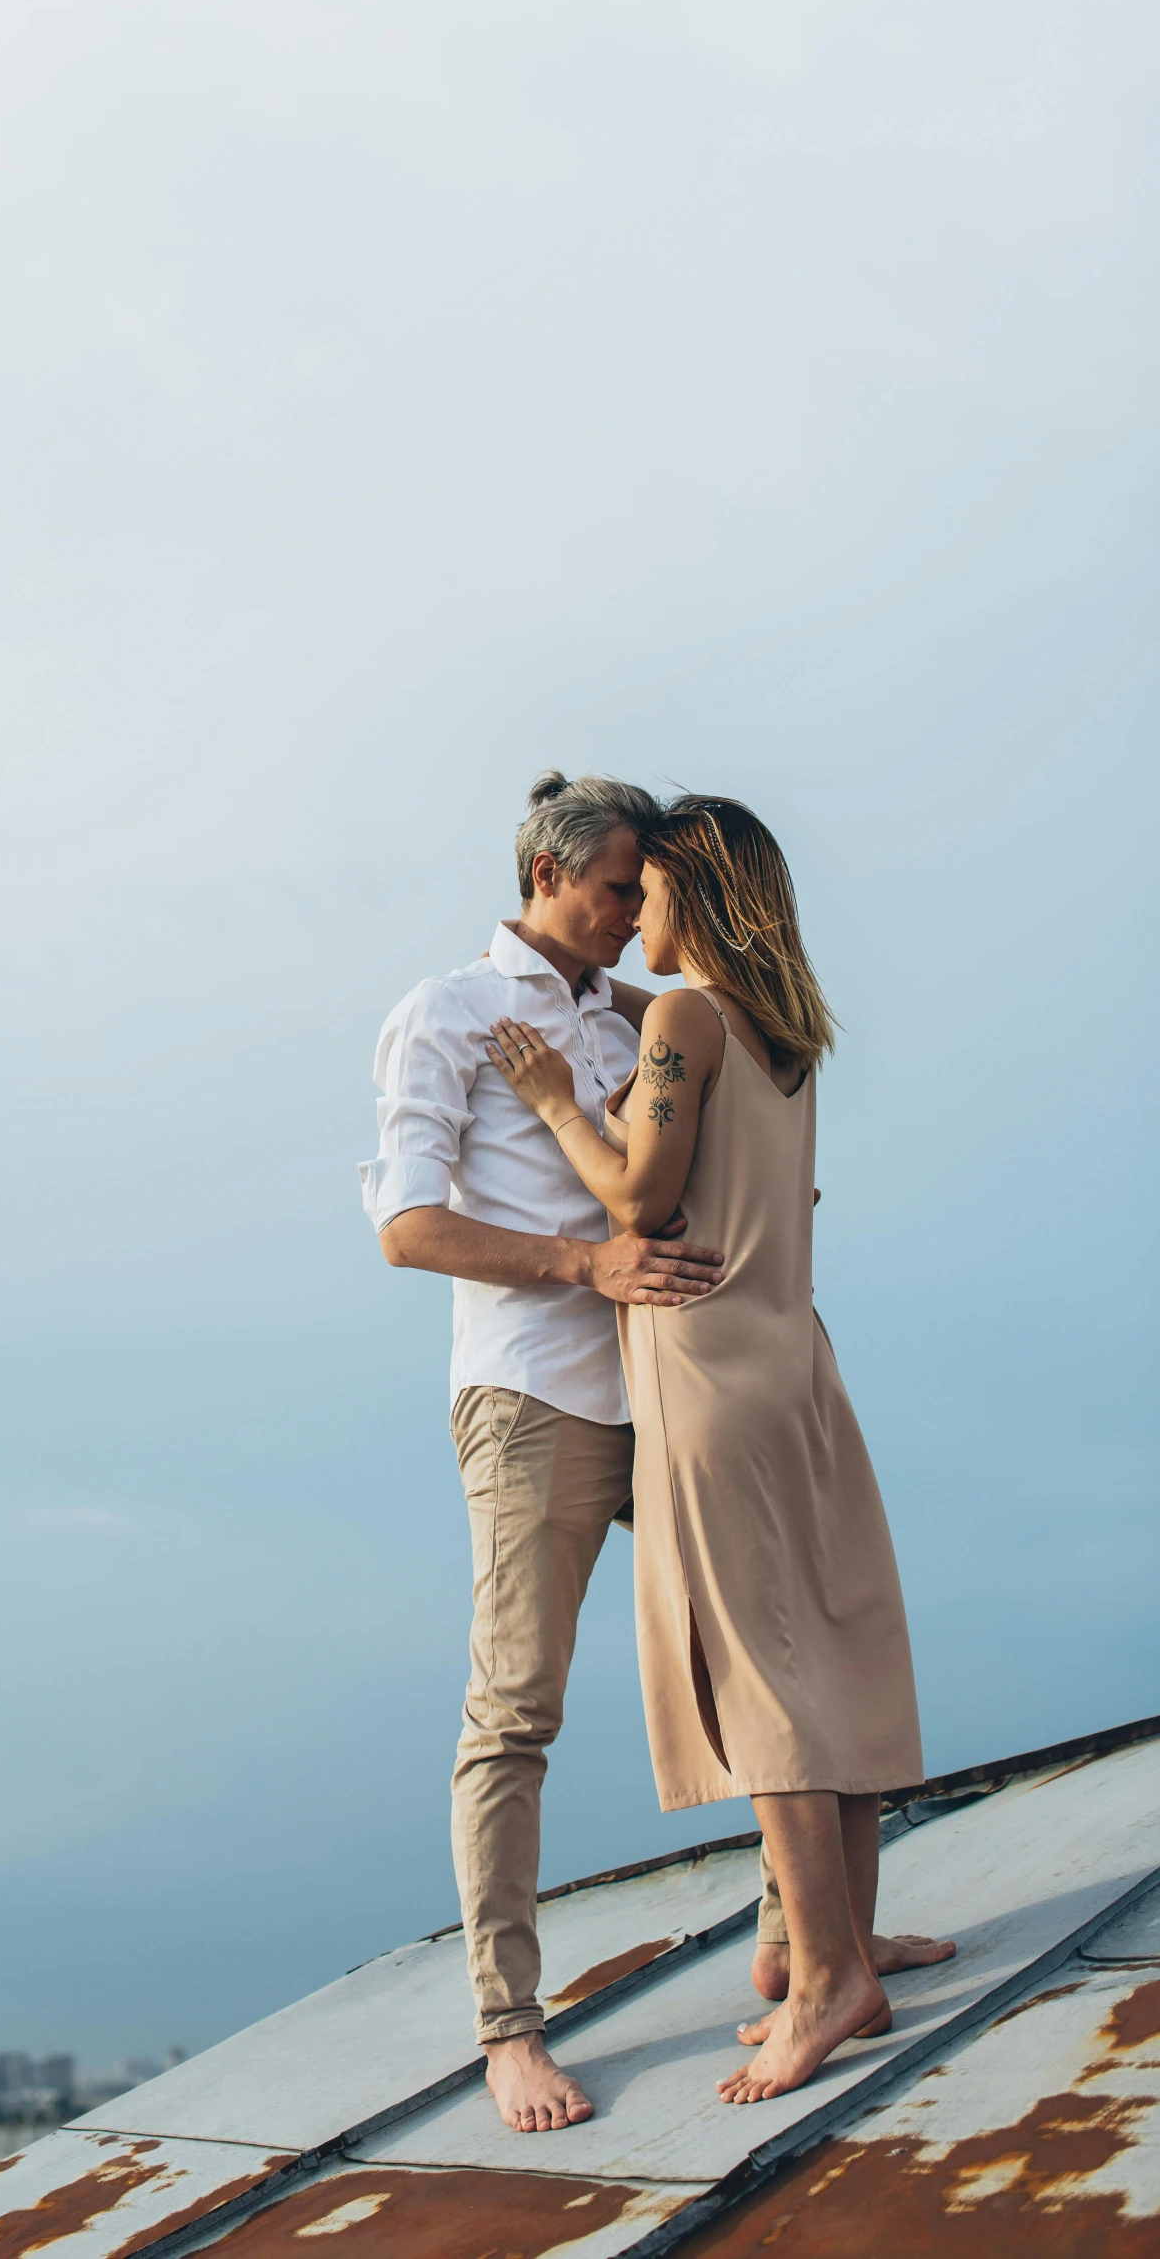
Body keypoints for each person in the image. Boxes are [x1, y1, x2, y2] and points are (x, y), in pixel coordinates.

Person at [486, 793, 941, 2103]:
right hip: (797, 1364)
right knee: (829, 1644)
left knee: (755, 1675)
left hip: (703, 1376)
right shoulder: (784, 1032)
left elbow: (637, 1192)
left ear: (700, 894)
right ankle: (835, 1939)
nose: (633, 911)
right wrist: (610, 999)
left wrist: (553, 1094)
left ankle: (823, 1981)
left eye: (651, 891)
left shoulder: (687, 1019)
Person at [360, 773, 740, 2136]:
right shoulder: (446, 1012)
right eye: (614, 886)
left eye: (643, 889)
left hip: (665, 1385)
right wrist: (585, 1258)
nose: (633, 906)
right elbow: (405, 1225)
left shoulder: (626, 1013)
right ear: (542, 871)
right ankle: (507, 2030)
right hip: (531, 1401)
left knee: (752, 1620)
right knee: (515, 1707)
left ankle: (816, 1941)